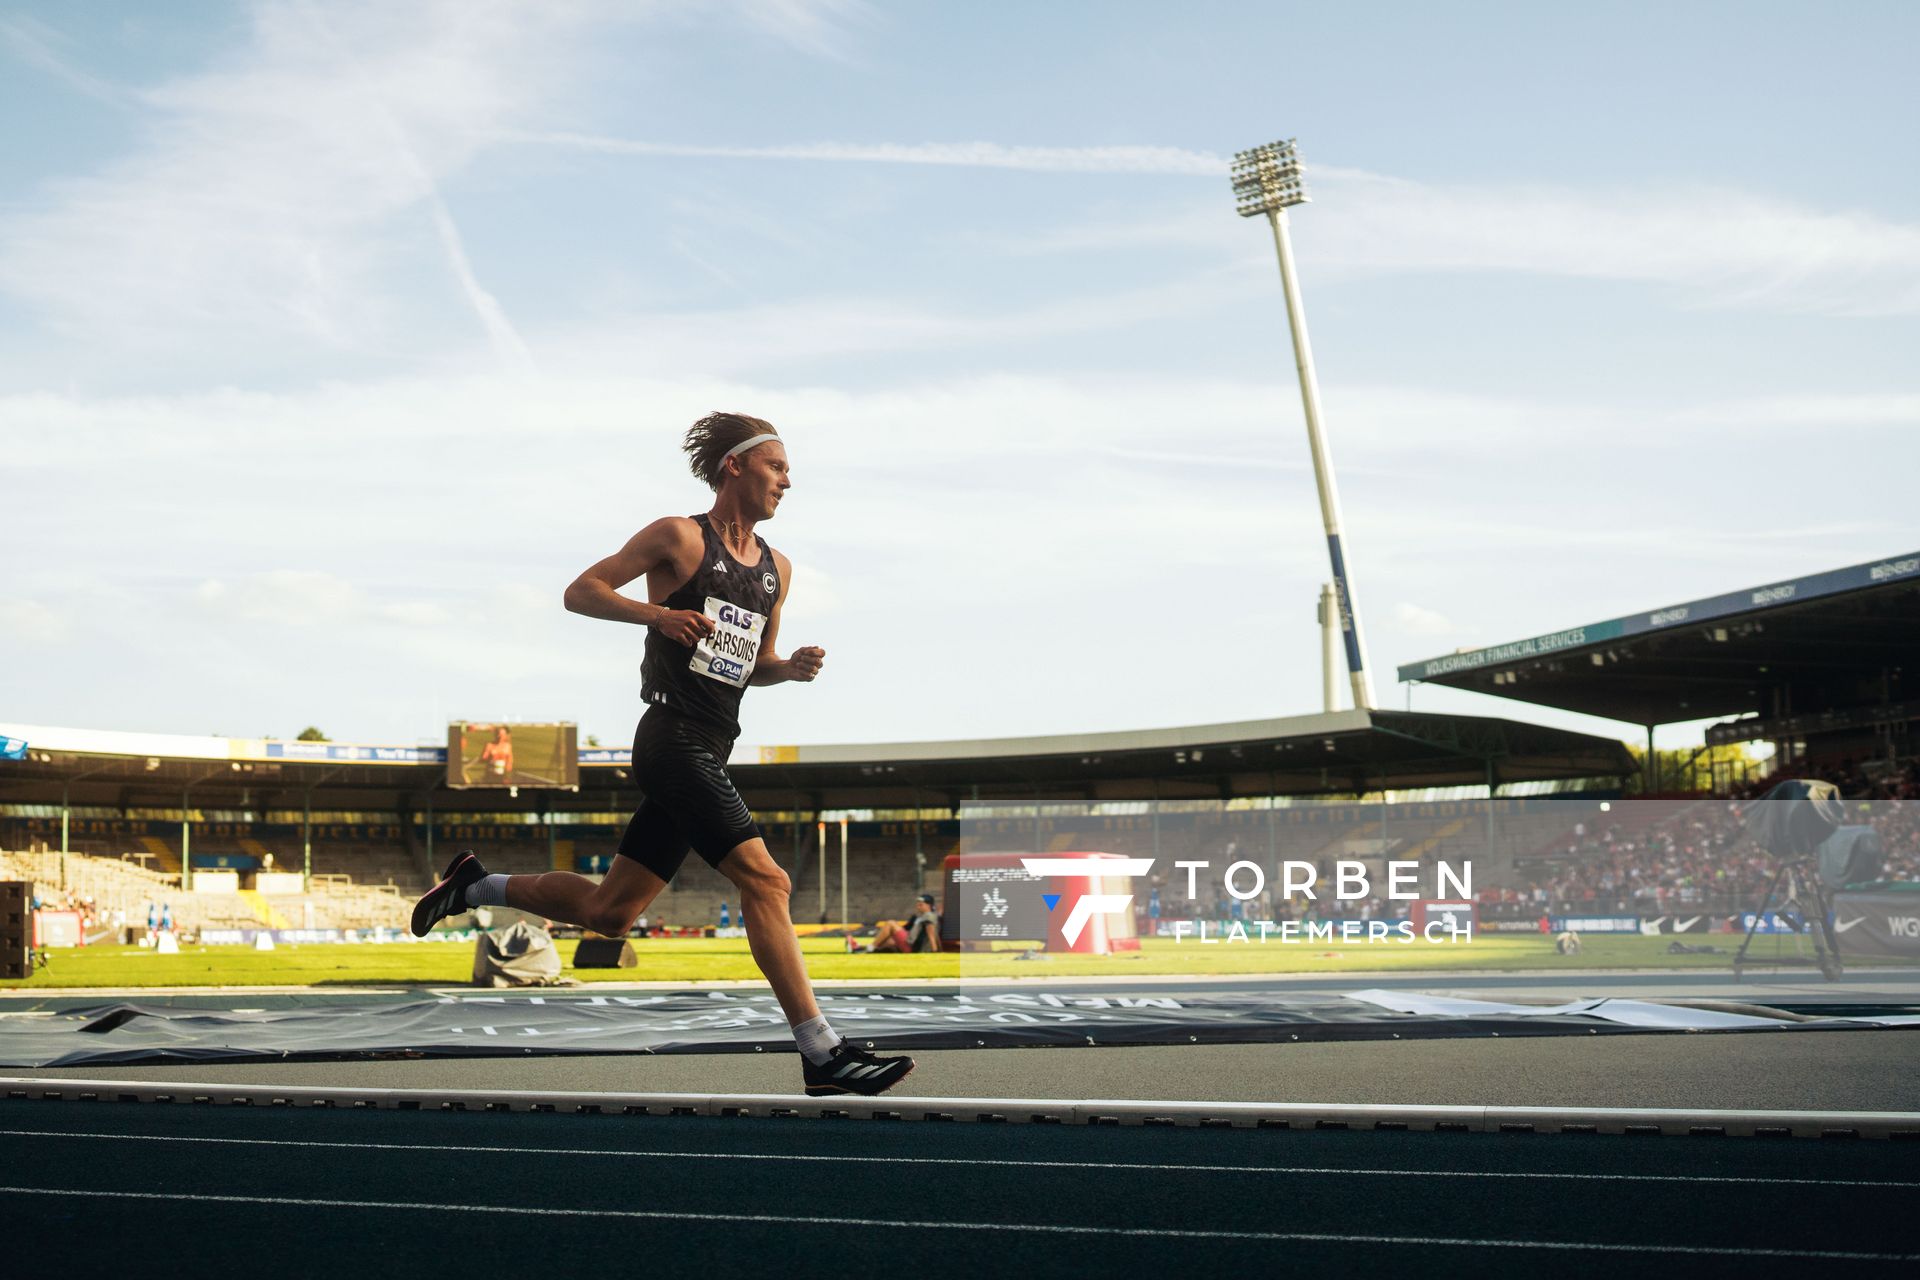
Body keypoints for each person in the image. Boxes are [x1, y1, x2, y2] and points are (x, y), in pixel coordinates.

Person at [412, 412, 912, 1097]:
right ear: (734, 467)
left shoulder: (776, 571)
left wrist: (786, 667)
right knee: (767, 882)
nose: (788, 482)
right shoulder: (679, 536)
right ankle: (823, 1054)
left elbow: (752, 663)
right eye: (777, 467)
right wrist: (660, 616)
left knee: (610, 915)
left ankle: (475, 886)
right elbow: (580, 591)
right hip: (671, 740)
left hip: (712, 744)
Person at [865, 894, 942, 954]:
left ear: (929, 906)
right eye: (917, 904)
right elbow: (906, 928)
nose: (918, 907)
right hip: (909, 942)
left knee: (890, 923)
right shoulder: (918, 917)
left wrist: (935, 951)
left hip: (913, 947)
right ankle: (875, 950)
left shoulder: (929, 915)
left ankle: (871, 947)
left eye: (921, 905)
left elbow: (932, 934)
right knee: (887, 940)